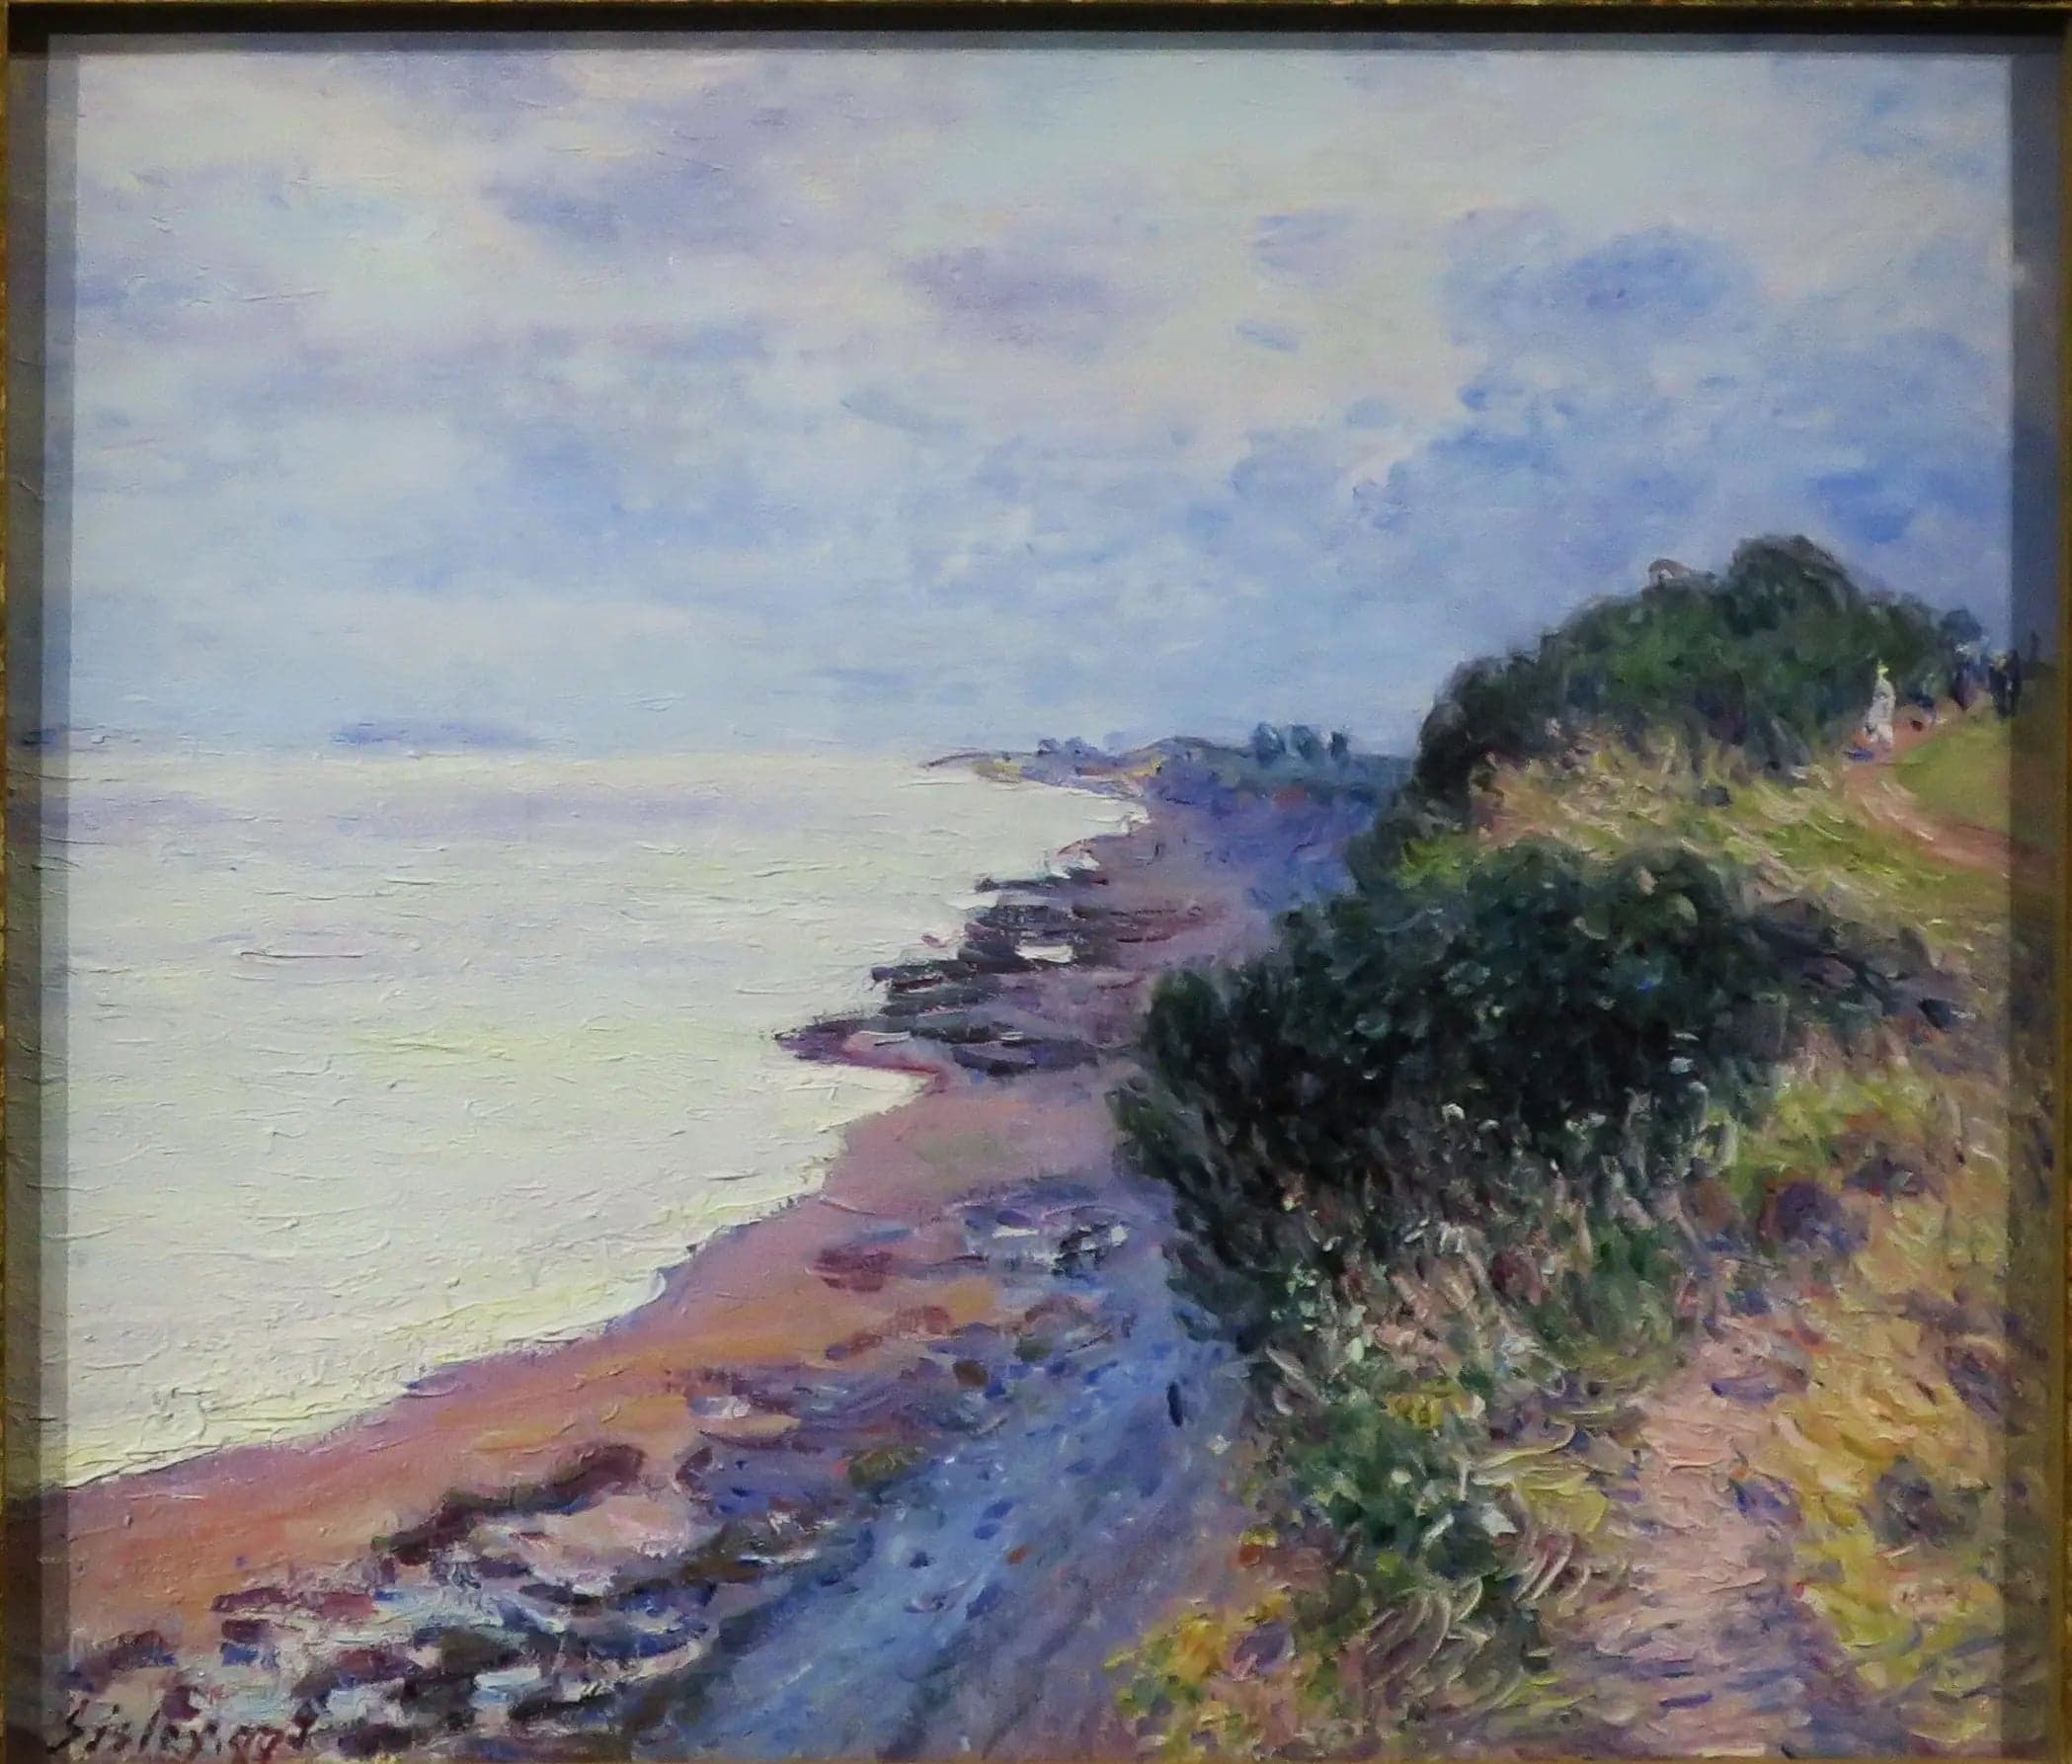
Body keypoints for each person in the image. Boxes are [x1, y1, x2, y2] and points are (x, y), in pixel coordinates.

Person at [1862, 662, 1896, 754]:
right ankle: (1876, 745)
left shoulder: (1884, 685)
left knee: (1887, 739)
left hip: (1883, 712)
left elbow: (1890, 699)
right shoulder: (1874, 685)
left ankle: (1882, 747)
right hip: (1876, 713)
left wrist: (1888, 713)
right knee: (1872, 731)